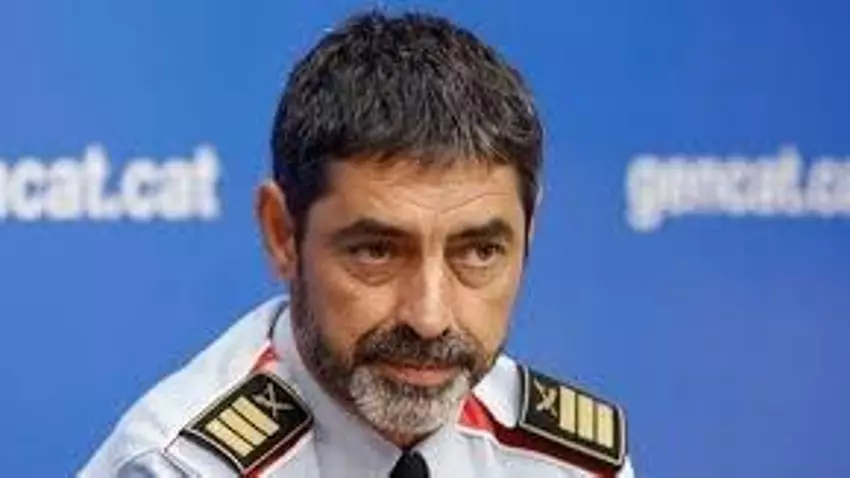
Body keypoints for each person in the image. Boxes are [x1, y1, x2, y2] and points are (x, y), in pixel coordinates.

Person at [80, 10, 635, 478]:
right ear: (282, 233)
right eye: (377, 251)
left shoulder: (573, 466)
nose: (430, 319)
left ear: (528, 235)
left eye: (478, 253)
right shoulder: (182, 469)